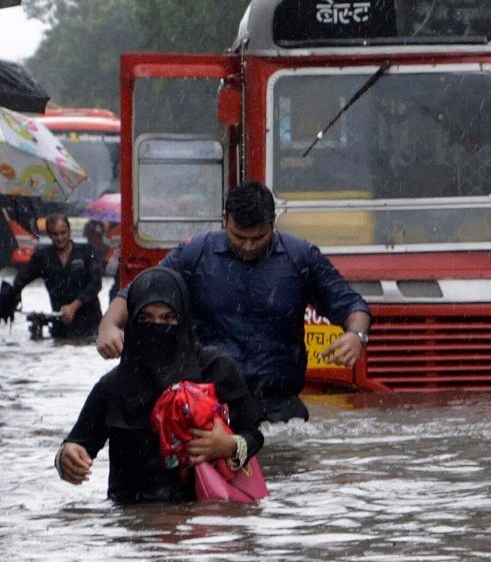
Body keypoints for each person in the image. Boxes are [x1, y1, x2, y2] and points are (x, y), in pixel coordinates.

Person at [97, 182, 371, 422]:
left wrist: (356, 335)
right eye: (240, 237)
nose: (249, 246)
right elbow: (139, 291)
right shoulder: (196, 254)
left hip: (280, 407)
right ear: (225, 220)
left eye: (258, 238)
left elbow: (352, 305)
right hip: (210, 405)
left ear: (273, 224)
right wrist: (109, 325)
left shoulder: (299, 257)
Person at [56, 268, 266, 503]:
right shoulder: (114, 386)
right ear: (132, 323)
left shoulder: (216, 370)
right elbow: (76, 445)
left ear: (183, 319)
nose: (157, 327)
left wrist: (228, 446)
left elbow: (254, 435)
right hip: (132, 521)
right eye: (145, 319)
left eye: (168, 318)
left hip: (202, 520)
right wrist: (67, 459)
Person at [0, 213, 103, 338]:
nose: (60, 238)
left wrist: (73, 306)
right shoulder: (43, 256)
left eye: (63, 233)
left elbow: (96, 284)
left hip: (90, 324)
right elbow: (22, 279)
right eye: (55, 234)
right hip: (61, 326)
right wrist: (9, 296)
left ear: (69, 231)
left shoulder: (86, 252)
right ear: (49, 235)